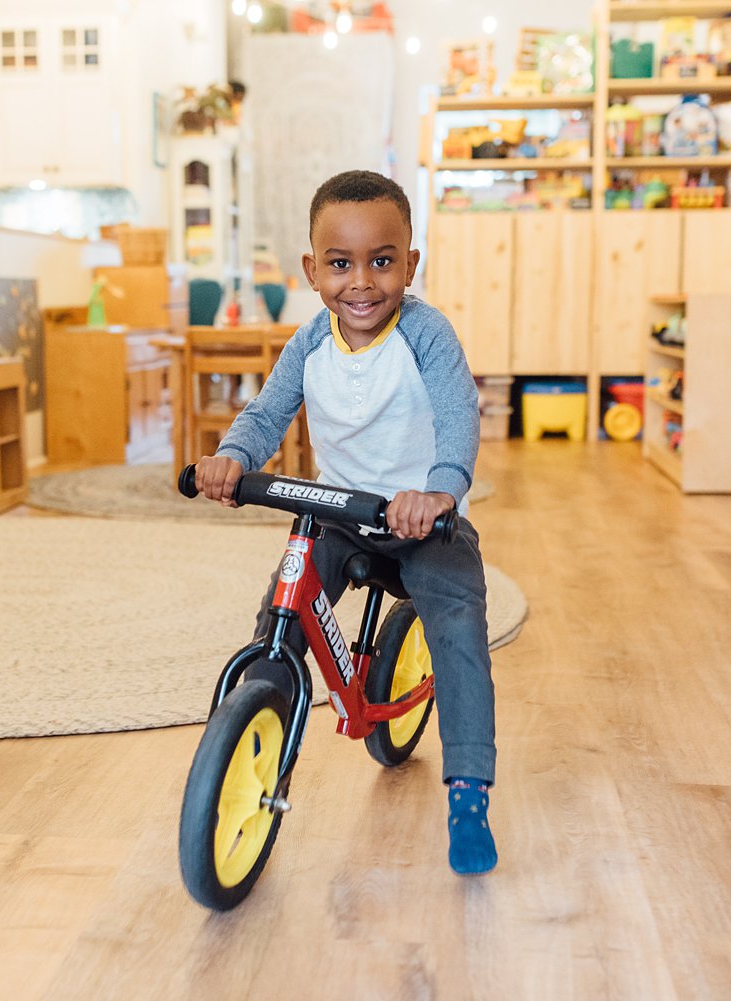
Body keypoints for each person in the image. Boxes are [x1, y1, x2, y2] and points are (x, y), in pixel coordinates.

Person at [192, 169, 497, 875]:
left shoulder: (426, 333)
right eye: (340, 264)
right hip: (339, 513)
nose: (361, 282)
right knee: (283, 612)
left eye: (382, 261)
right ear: (312, 269)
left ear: (410, 264)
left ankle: (469, 790)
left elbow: (457, 419)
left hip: (426, 521)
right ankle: (260, 726)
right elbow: (267, 412)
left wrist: (440, 491)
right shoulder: (309, 343)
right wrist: (234, 456)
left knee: (456, 627)